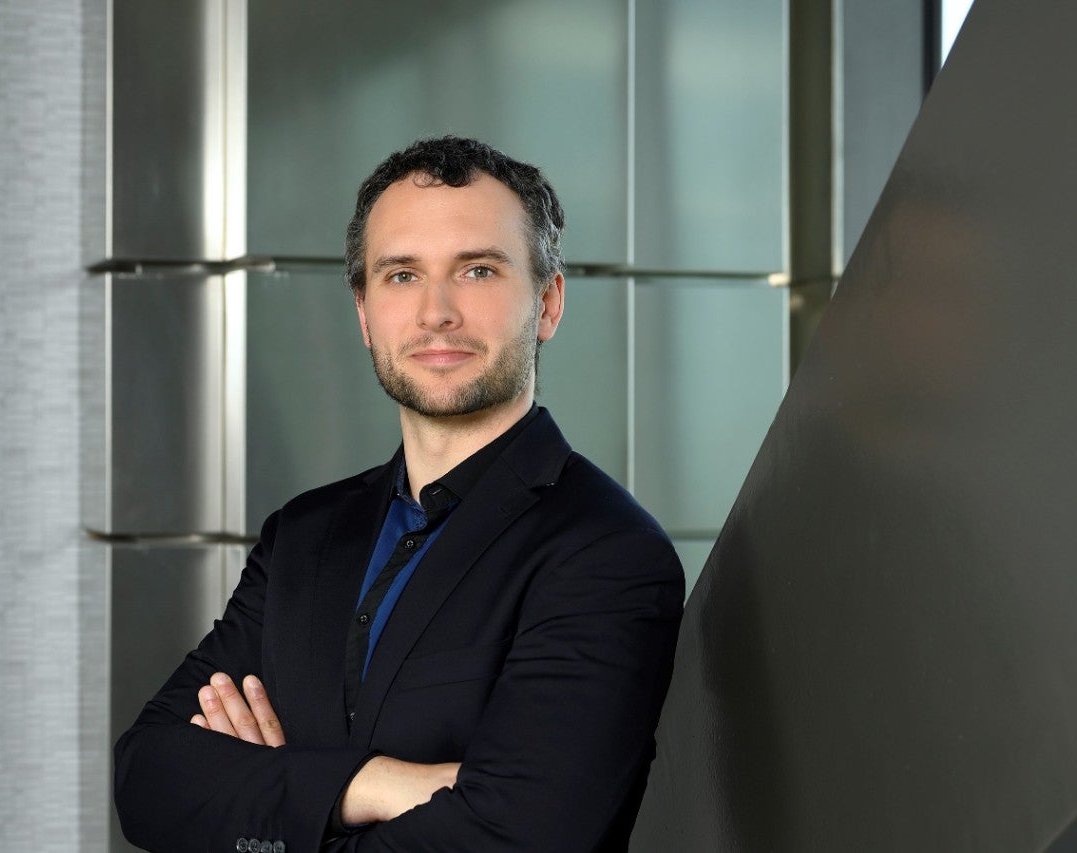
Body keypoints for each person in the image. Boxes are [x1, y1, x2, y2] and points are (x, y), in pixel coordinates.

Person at [113, 136, 685, 852]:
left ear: (548, 303)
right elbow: (147, 776)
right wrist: (375, 783)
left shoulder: (606, 554)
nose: (436, 312)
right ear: (363, 312)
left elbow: (515, 837)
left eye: (477, 270)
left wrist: (273, 796)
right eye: (402, 274)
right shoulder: (304, 536)